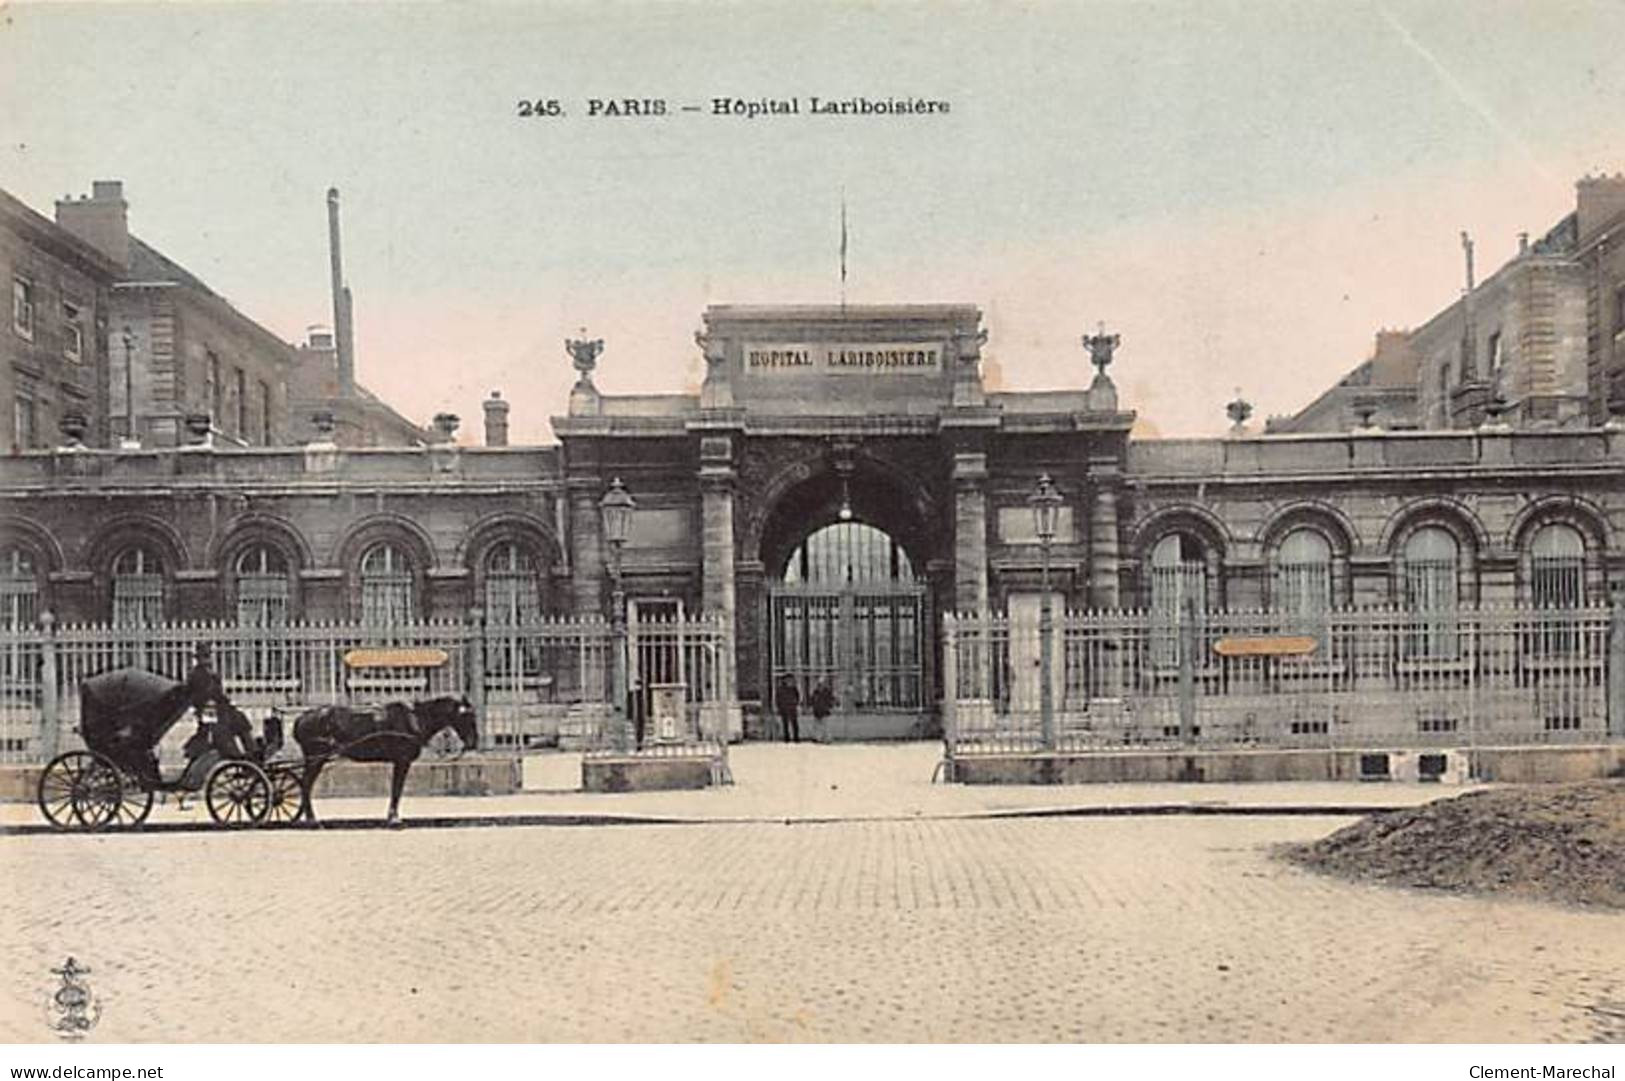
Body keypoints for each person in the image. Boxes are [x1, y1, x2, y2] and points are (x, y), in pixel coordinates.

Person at [775, 674, 801, 743]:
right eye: (787, 679)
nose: (789, 681)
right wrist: (779, 707)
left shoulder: (793, 688)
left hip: (792, 707)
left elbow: (797, 696)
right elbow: (777, 699)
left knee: (794, 723)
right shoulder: (780, 689)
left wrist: (795, 703)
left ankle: (796, 737)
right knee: (785, 724)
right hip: (784, 708)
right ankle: (786, 738)